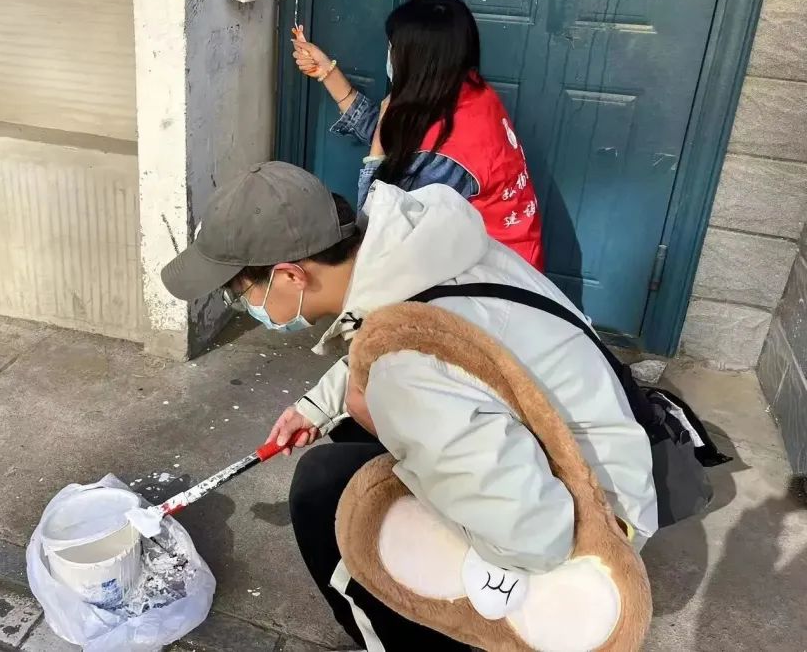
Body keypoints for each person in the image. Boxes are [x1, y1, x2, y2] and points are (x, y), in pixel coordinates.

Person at [161, 161, 656, 650]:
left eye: (239, 294)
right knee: (354, 435)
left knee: (327, 494)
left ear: (290, 275)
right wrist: (317, 408)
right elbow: (404, 337)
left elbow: (535, 537)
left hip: (588, 532)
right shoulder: (419, 252)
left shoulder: (407, 374)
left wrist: (394, 437)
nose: (244, 307)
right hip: (605, 458)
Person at [292, 0, 544, 270]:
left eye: (393, 48)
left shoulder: (445, 156)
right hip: (503, 255)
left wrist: (376, 152)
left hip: (492, 278)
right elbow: (401, 143)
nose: (390, 56)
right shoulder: (468, 92)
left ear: (419, 62)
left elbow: (381, 233)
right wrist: (328, 73)